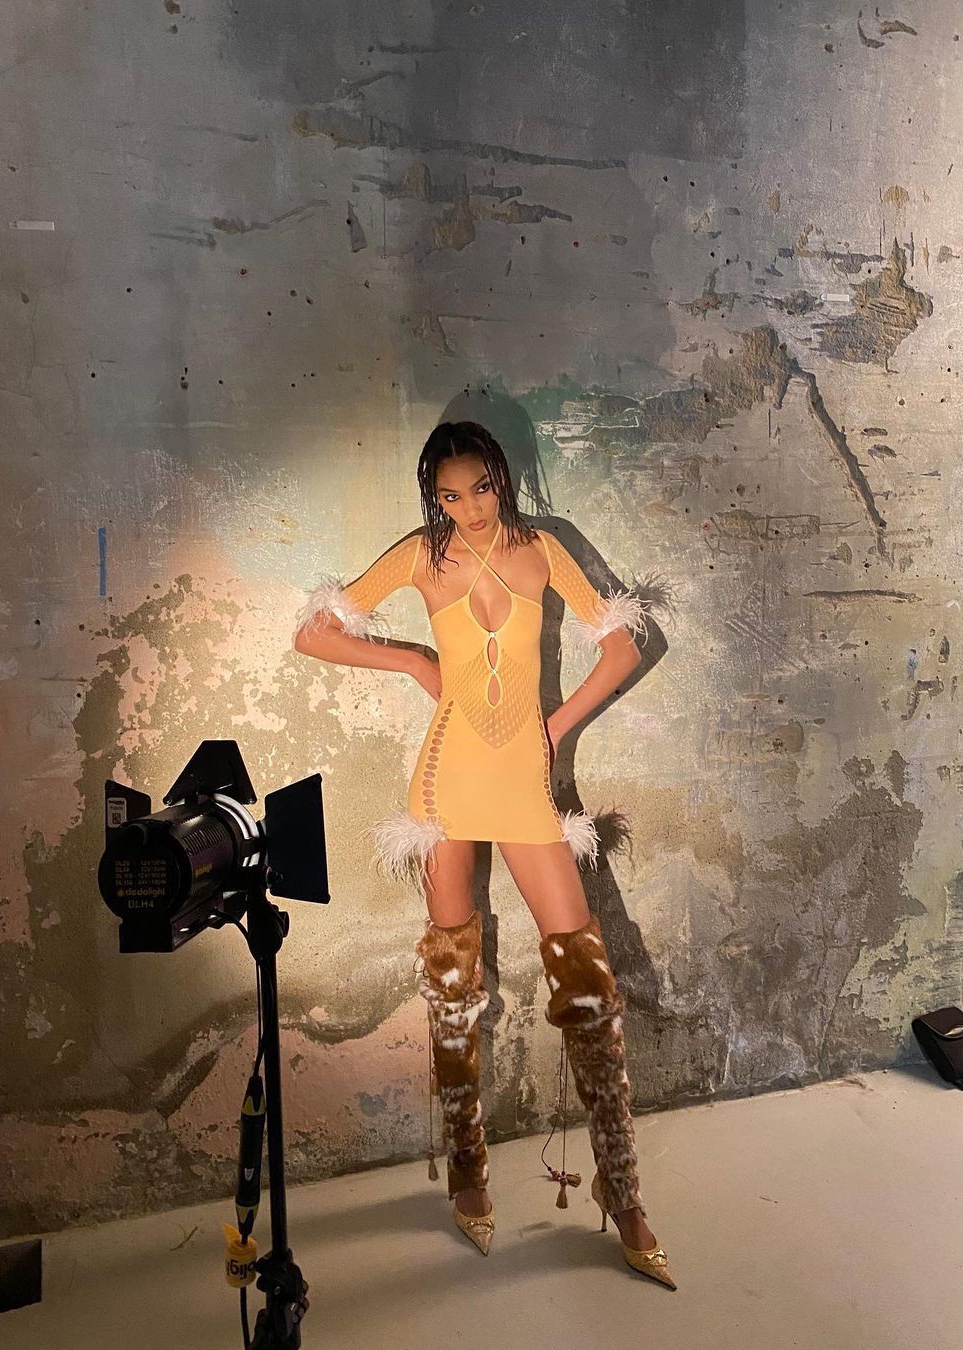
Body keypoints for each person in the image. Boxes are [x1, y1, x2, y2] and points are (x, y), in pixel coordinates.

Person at [292, 422, 675, 1289]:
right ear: (434, 497)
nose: (467, 508)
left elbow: (624, 645)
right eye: (449, 495)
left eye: (480, 489)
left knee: (587, 980)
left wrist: (556, 727)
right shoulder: (420, 556)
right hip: (445, 777)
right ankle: (466, 1163)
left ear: (503, 478)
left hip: (522, 780)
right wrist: (411, 661)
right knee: (453, 978)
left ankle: (622, 1189)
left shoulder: (542, 550)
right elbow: (313, 635)